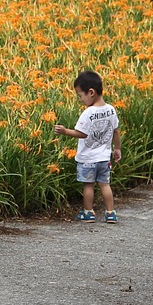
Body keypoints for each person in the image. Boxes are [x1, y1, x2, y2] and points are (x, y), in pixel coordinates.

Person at [53, 70, 122, 223]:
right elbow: (116, 131)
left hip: (88, 159)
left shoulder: (88, 113)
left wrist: (65, 131)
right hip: (104, 158)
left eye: (80, 96)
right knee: (105, 185)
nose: (80, 100)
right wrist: (117, 148)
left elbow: (82, 133)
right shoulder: (111, 109)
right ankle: (111, 213)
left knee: (88, 185)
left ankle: (88, 212)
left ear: (91, 92)